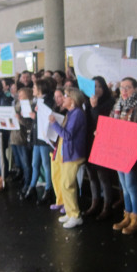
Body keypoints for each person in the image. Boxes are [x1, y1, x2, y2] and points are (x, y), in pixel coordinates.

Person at [49, 88, 87, 229]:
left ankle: (76, 215)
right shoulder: (71, 113)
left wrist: (54, 124)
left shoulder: (77, 114)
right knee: (65, 184)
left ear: (73, 99)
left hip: (74, 154)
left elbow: (68, 136)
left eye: (65, 96)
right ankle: (71, 213)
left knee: (67, 184)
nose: (62, 99)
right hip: (68, 153)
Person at [111, 77, 137, 235]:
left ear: (136, 89)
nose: (124, 91)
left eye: (128, 87)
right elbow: (111, 124)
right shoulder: (117, 104)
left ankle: (136, 218)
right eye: (122, 87)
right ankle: (127, 214)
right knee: (124, 187)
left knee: (132, 186)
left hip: (132, 150)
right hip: (119, 149)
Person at [84, 76, 115, 220]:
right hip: (89, 142)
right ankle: (94, 202)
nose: (96, 90)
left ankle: (107, 205)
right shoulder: (87, 102)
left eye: (99, 86)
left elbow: (102, 123)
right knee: (92, 176)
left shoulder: (110, 102)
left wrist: (95, 107)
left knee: (103, 176)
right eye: (93, 86)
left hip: (102, 143)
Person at [24, 79, 55, 204]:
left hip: (44, 137)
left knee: (46, 165)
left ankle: (48, 189)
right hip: (36, 137)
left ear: (40, 88)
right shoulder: (36, 101)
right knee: (35, 163)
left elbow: (46, 117)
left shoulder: (48, 101)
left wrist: (35, 116)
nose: (33, 90)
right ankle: (32, 186)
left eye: (35, 87)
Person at [12, 87, 33, 198]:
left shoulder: (28, 106)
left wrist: (19, 119)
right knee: (21, 161)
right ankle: (25, 178)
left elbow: (30, 124)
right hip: (15, 136)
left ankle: (28, 183)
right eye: (19, 94)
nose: (19, 96)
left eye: (22, 94)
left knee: (26, 163)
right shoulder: (17, 104)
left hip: (23, 137)